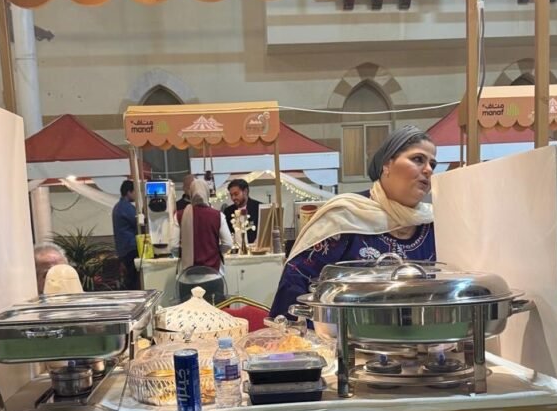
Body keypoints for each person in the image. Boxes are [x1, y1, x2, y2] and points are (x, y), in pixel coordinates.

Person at [270, 125, 437, 317]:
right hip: (342, 334)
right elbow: (295, 287)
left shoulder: (434, 223)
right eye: (418, 159)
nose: (428, 170)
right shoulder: (345, 216)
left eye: (433, 164)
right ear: (387, 165)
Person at [170, 178, 233, 272]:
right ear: (207, 193)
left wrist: (186, 254)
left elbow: (173, 247)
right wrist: (215, 251)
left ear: (191, 194)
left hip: (188, 274)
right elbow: (228, 243)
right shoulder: (218, 215)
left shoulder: (179, 215)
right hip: (213, 273)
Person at [112, 179, 140, 290]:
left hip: (123, 248)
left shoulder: (118, 207)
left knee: (130, 277)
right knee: (134, 279)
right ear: (129, 192)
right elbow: (139, 222)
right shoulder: (126, 207)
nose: (136, 195)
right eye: (135, 192)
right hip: (130, 247)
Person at [223, 179, 260, 244]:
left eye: (236, 194)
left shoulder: (258, 207)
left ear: (245, 191)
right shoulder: (228, 211)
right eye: (231, 195)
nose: (233, 198)